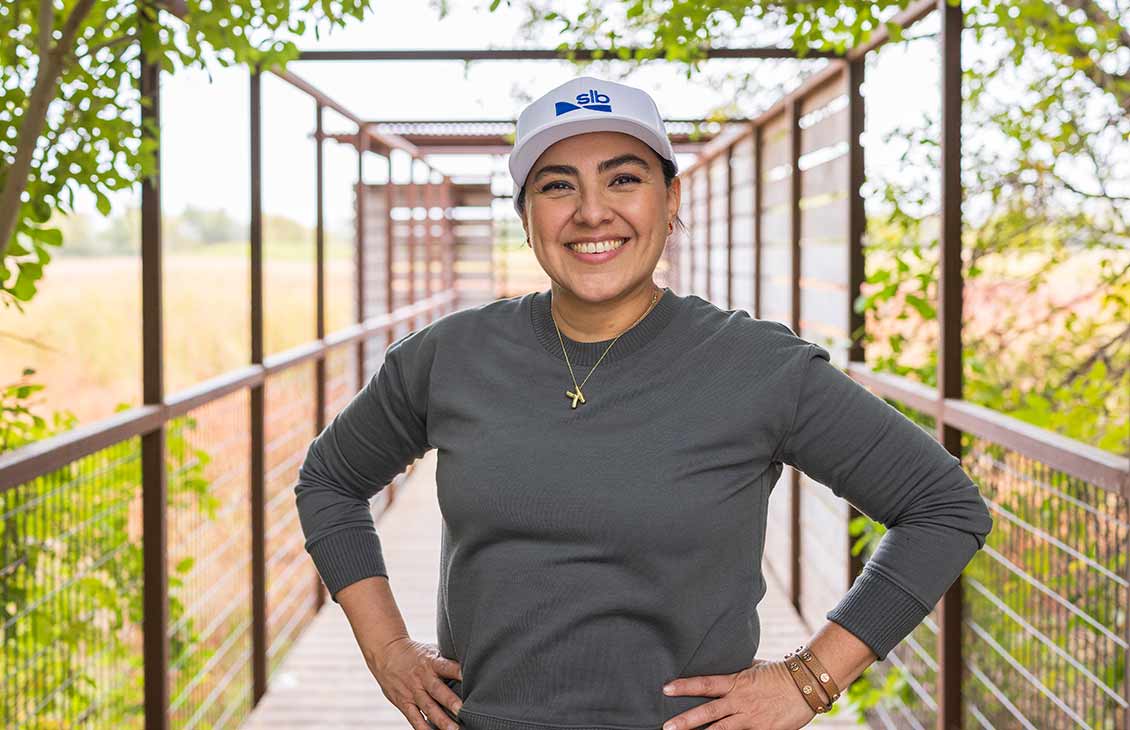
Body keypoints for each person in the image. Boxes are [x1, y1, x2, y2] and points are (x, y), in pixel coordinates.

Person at [293, 75, 994, 730]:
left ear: (671, 198)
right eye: (557, 186)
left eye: (623, 179)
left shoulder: (756, 366)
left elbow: (943, 507)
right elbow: (329, 481)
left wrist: (812, 679)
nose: (591, 212)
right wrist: (386, 650)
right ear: (527, 216)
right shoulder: (451, 355)